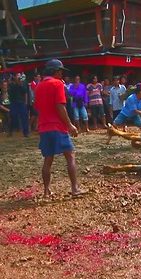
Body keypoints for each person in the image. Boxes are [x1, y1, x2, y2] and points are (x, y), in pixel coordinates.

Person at [34, 59, 85, 197]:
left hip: (44, 127)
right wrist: (69, 125)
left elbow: (37, 107)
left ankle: (46, 191)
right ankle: (75, 189)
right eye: (61, 71)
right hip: (57, 126)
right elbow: (60, 106)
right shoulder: (57, 84)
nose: (62, 74)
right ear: (56, 71)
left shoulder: (38, 86)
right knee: (70, 155)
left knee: (48, 160)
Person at [8, 72, 29, 137]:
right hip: (13, 102)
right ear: (14, 77)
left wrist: (25, 102)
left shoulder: (23, 83)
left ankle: (26, 132)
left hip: (21, 102)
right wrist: (15, 84)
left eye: (19, 75)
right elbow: (10, 93)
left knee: (24, 117)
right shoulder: (11, 84)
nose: (18, 77)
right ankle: (11, 131)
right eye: (17, 75)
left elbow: (25, 91)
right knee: (13, 116)